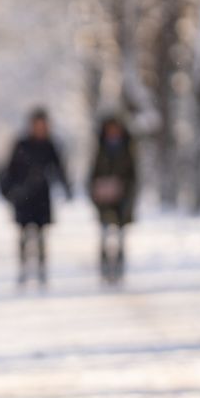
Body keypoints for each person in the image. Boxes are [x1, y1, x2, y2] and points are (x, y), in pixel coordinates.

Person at [0, 108, 70, 285]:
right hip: (23, 196)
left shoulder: (50, 145)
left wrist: (66, 187)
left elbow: (59, 169)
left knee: (41, 234)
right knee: (23, 233)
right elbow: (9, 169)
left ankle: (41, 269)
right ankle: (23, 267)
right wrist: (9, 190)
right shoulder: (21, 144)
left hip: (42, 197)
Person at [88, 116, 138, 285]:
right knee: (104, 234)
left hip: (123, 199)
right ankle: (104, 268)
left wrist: (124, 191)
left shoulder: (128, 149)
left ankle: (119, 267)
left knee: (121, 236)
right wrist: (98, 192)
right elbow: (93, 175)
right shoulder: (100, 150)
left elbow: (134, 176)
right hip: (104, 200)